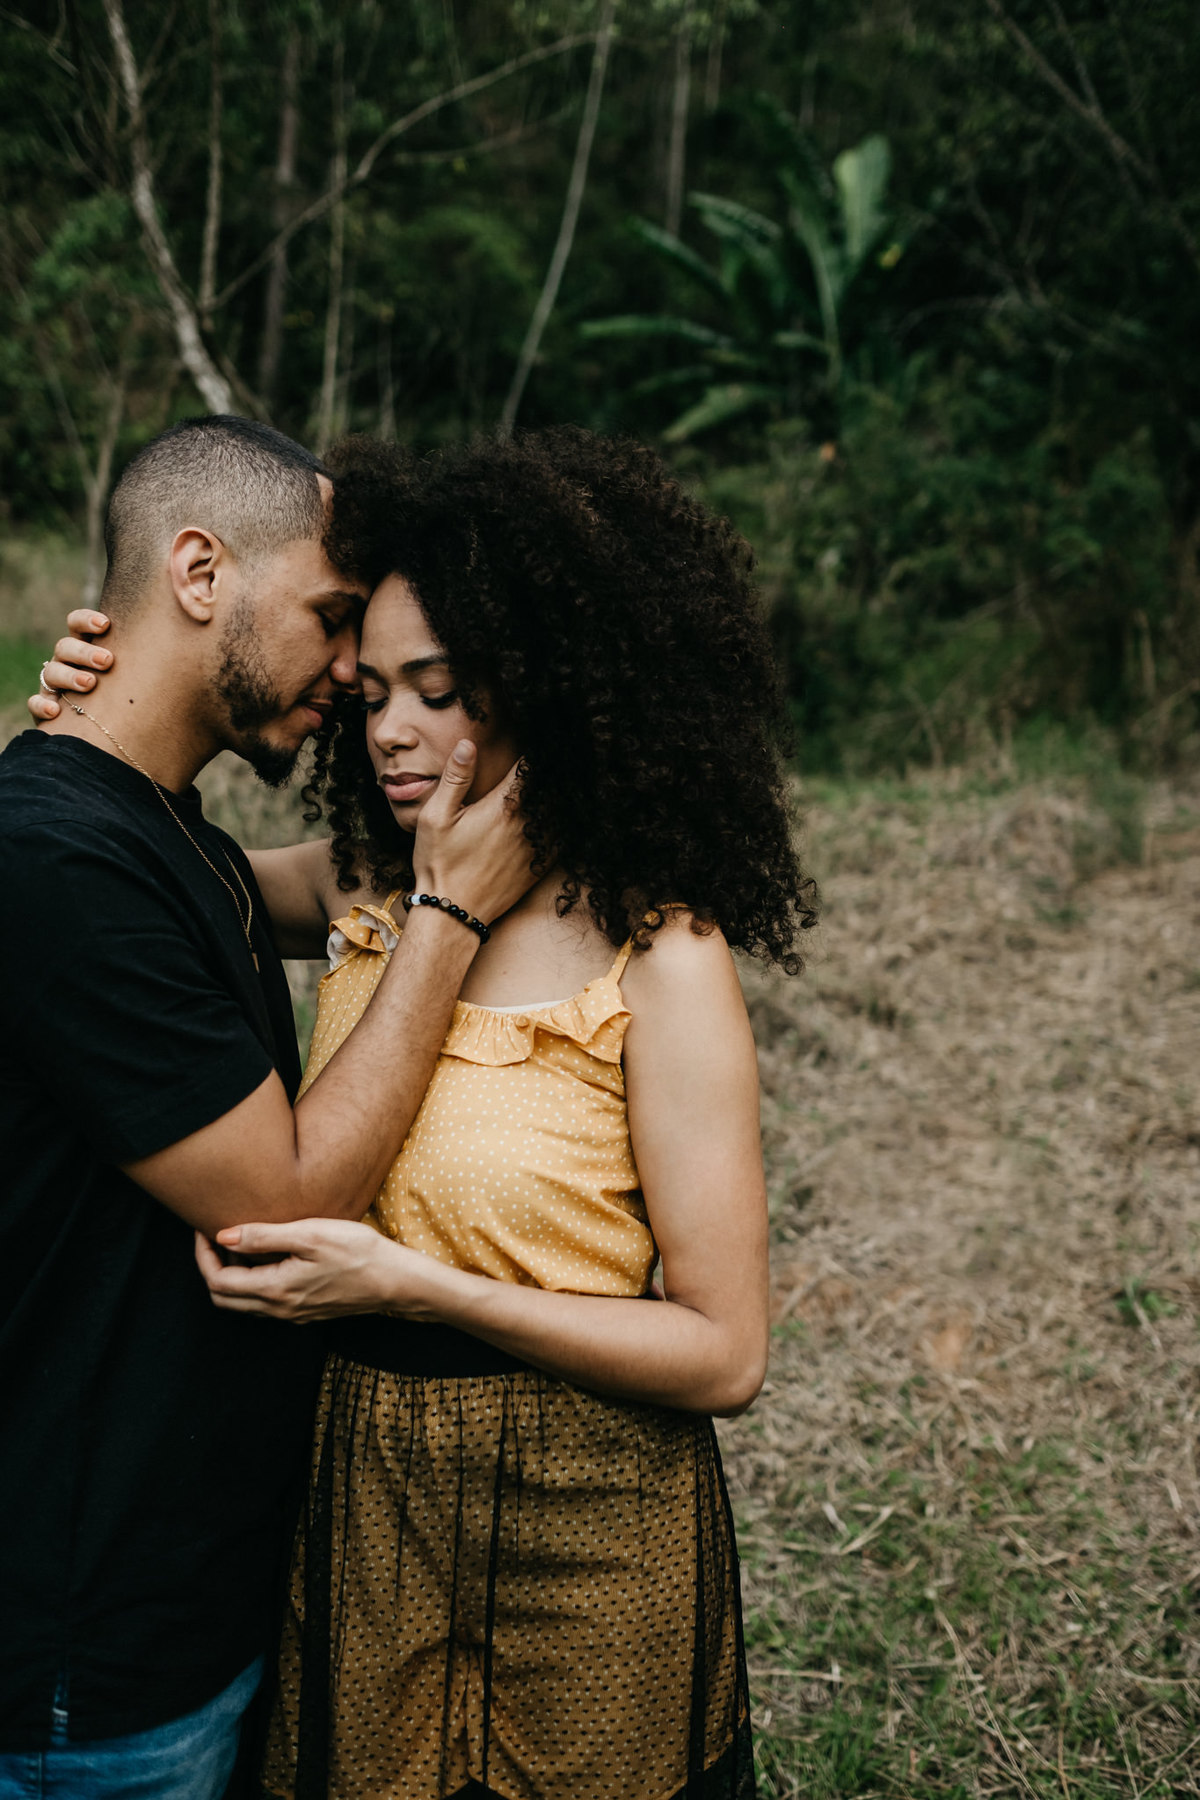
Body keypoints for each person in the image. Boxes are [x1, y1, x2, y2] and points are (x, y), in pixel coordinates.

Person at [39, 427, 817, 1800]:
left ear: (546, 691)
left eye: (435, 690)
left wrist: (421, 1287)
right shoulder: (367, 891)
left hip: (592, 1528)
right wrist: (86, 724)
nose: (385, 725)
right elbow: (136, 870)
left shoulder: (662, 957)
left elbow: (725, 1352)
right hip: (363, 1517)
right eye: (372, 685)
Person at [2, 416, 532, 1800]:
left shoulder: (163, 829)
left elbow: (329, 883)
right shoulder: (55, 854)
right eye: (333, 617)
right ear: (197, 571)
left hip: (196, 1610)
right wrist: (451, 913)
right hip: (90, 1670)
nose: (351, 671)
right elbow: (287, 1201)